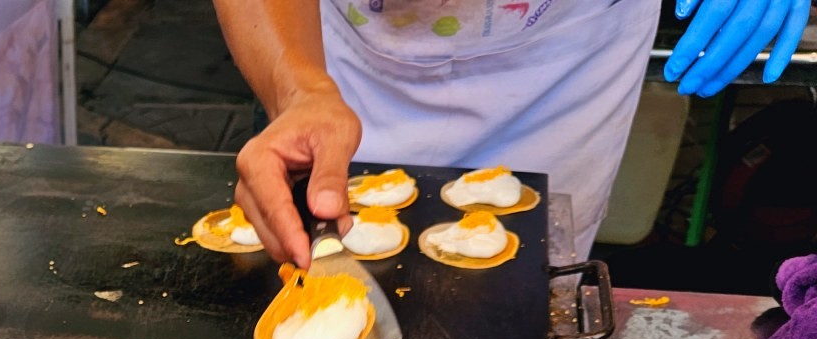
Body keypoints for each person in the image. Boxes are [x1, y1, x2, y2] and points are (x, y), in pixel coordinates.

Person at [213, 0, 813, 263]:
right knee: (341, 262)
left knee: (529, 282)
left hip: (563, 51)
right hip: (359, 54)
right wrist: (299, 90)